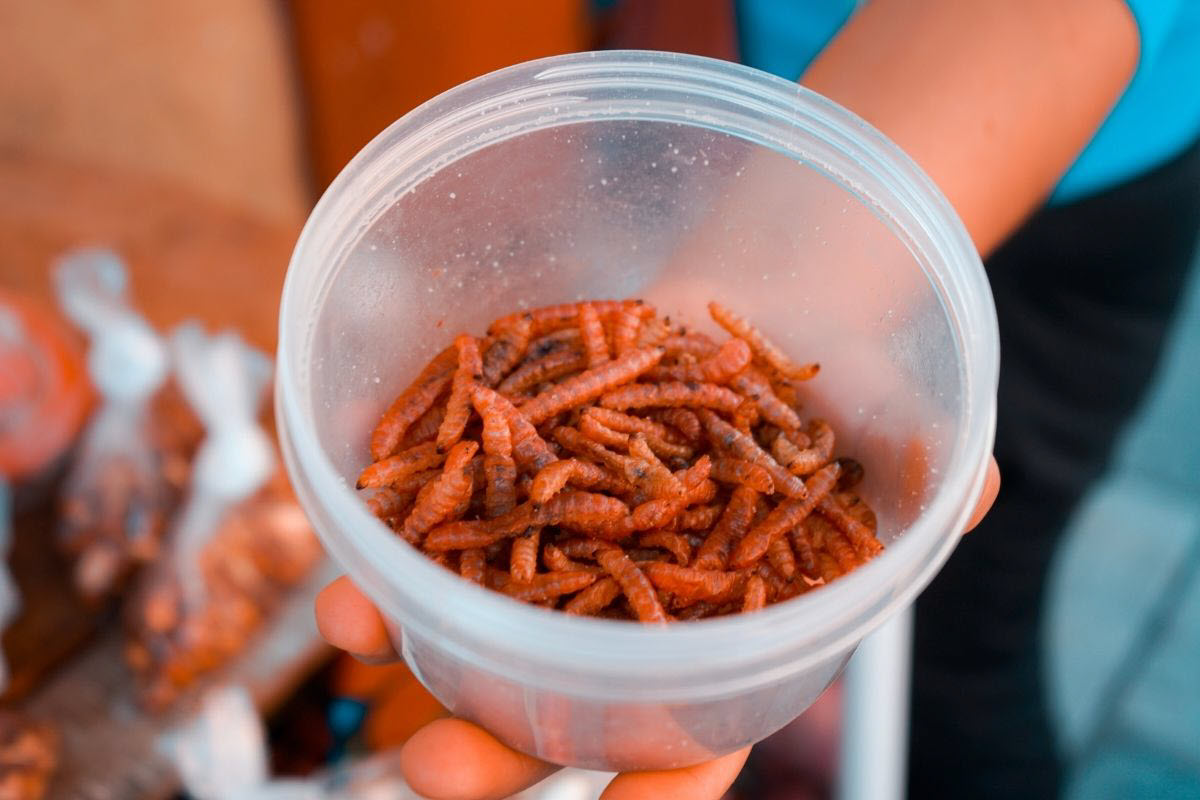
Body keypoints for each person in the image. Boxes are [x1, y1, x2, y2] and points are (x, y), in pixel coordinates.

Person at [317, 1, 1200, 797]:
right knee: (691, 707)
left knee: (962, 654)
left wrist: (810, 271)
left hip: (1056, 145)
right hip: (703, 65)